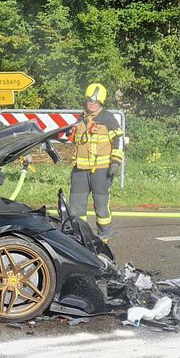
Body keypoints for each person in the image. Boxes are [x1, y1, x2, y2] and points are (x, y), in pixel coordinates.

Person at [69, 82, 124, 240]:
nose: (92, 104)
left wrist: (115, 162)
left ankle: (104, 236)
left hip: (101, 170)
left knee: (101, 206)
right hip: (80, 169)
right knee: (76, 207)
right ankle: (80, 237)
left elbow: (119, 140)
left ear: (101, 103)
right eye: (90, 101)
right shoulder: (82, 117)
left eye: (96, 102)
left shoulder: (108, 118)